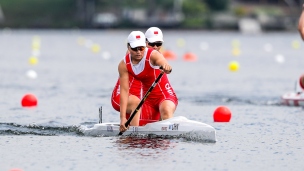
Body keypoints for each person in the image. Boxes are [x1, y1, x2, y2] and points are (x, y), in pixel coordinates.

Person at [118, 31, 178, 132]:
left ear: (145, 46)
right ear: (128, 47)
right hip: (147, 100)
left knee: (166, 112)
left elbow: (162, 61)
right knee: (140, 127)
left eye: (141, 48)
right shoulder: (123, 65)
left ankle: (169, 142)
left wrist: (165, 66)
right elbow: (124, 91)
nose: (138, 52)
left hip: (165, 95)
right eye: (134, 48)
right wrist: (122, 118)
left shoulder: (152, 55)